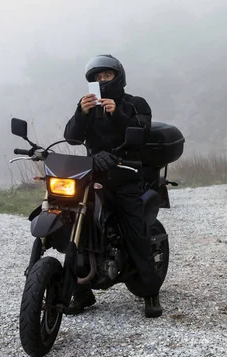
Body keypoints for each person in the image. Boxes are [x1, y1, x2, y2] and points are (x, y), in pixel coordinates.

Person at [63, 54, 163, 318]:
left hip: (125, 173)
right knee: (76, 224)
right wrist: (80, 113)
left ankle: (150, 291)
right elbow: (72, 138)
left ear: (118, 76)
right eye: (97, 77)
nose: (102, 80)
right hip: (92, 172)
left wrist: (116, 114)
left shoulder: (135, 104)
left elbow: (141, 135)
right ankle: (81, 291)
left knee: (135, 229)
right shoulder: (87, 105)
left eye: (106, 75)